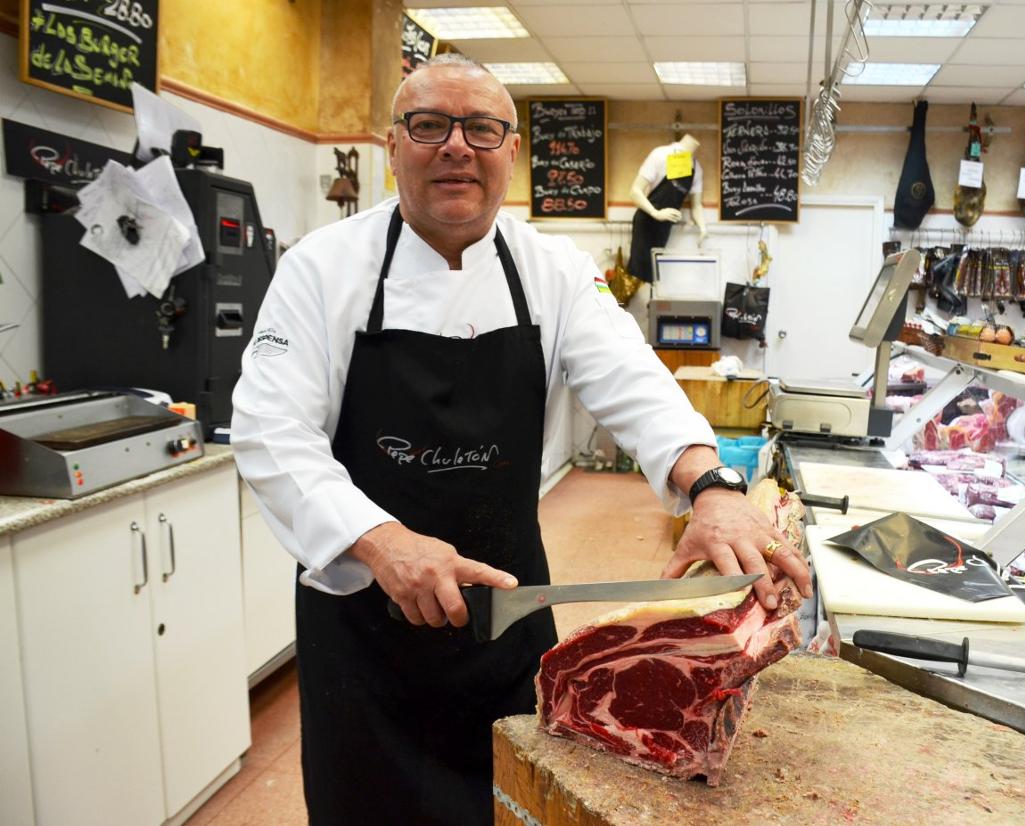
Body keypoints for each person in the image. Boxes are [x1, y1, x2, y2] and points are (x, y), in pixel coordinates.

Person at [231, 54, 810, 825]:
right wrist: (380, 540)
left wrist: (712, 488)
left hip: (507, 619)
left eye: (481, 128)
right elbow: (270, 432)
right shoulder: (320, 269)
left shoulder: (550, 269)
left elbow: (634, 381)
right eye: (430, 126)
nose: (456, 147)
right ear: (394, 146)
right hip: (366, 634)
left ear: (512, 151)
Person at [625, 133, 708, 282]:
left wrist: (703, 228)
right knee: (637, 275)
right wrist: (655, 212)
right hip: (646, 221)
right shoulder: (661, 154)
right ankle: (618, 303)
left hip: (664, 227)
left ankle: (650, 303)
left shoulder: (697, 168)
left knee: (653, 277)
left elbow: (696, 205)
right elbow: (634, 192)